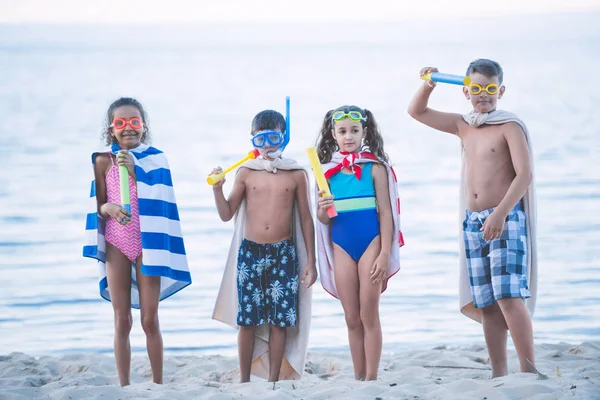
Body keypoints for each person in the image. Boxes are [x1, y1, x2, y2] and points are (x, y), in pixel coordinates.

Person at [407, 59, 538, 378]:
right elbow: (417, 112)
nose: (483, 95)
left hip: (505, 219)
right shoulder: (464, 125)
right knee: (487, 302)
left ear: (500, 91)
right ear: (466, 91)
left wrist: (501, 213)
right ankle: (499, 373)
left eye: (490, 89)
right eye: (476, 88)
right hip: (473, 222)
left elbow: (524, 174)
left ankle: (529, 370)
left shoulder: (509, 126)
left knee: (509, 295)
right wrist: (429, 83)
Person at [83, 97, 192, 386]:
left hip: (149, 244)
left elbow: (161, 197)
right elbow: (99, 205)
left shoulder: (156, 158)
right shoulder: (102, 159)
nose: (128, 128)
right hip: (117, 242)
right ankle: (124, 385)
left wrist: (135, 169)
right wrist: (109, 209)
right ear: (111, 129)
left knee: (149, 319)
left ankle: (158, 383)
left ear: (143, 127)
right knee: (122, 319)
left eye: (134, 122)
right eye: (121, 123)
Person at [210, 109, 317, 382]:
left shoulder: (296, 174)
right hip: (250, 252)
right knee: (247, 322)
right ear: (252, 141)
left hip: (284, 253)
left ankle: (273, 382)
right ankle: (245, 379)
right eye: (260, 140)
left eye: (273, 138)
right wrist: (216, 189)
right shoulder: (246, 173)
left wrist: (311, 262)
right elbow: (226, 214)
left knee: (279, 322)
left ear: (284, 138)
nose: (267, 145)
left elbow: (306, 218)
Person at [314, 105, 403, 381]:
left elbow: (387, 213)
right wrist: (321, 208)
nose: (349, 136)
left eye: (354, 131)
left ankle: (372, 378)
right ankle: (358, 377)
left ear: (364, 132)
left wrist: (385, 253)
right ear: (333, 134)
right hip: (341, 245)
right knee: (352, 318)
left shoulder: (375, 168)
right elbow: (323, 221)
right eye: (343, 131)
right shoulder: (324, 172)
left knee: (369, 315)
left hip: (372, 243)